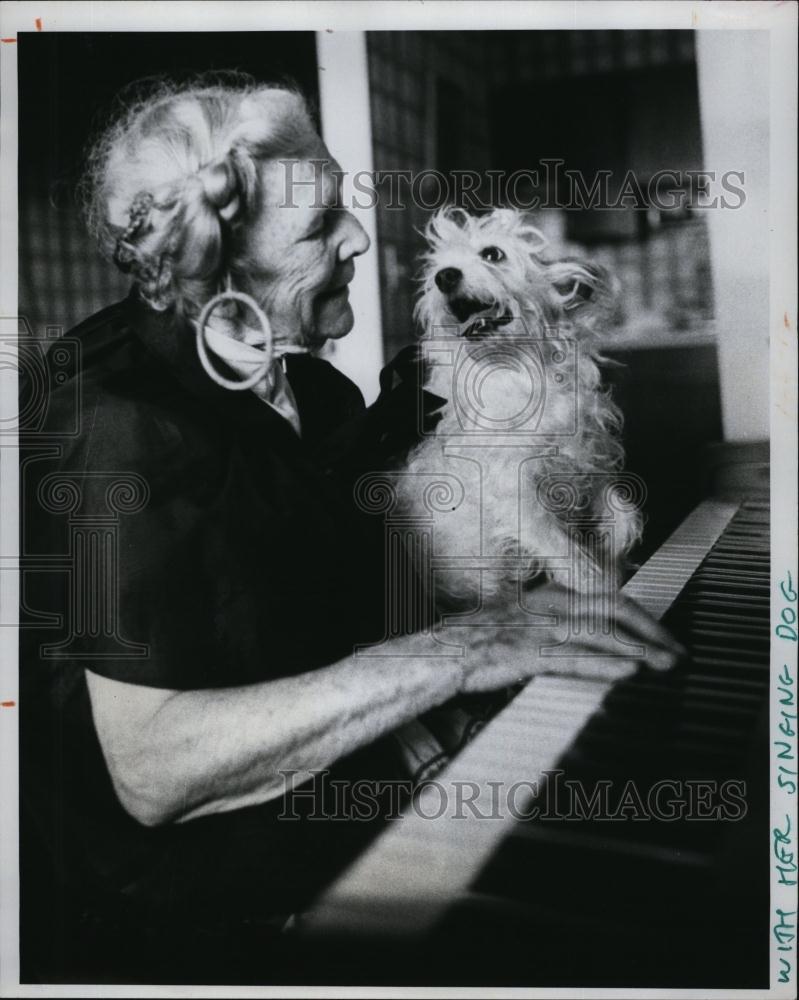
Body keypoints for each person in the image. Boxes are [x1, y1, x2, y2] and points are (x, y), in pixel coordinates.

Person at [20, 77, 681, 984]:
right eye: (319, 225)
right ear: (219, 269)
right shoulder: (116, 427)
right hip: (206, 898)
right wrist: (457, 653)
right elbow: (153, 773)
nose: (360, 239)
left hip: (345, 779)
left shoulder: (315, 390)